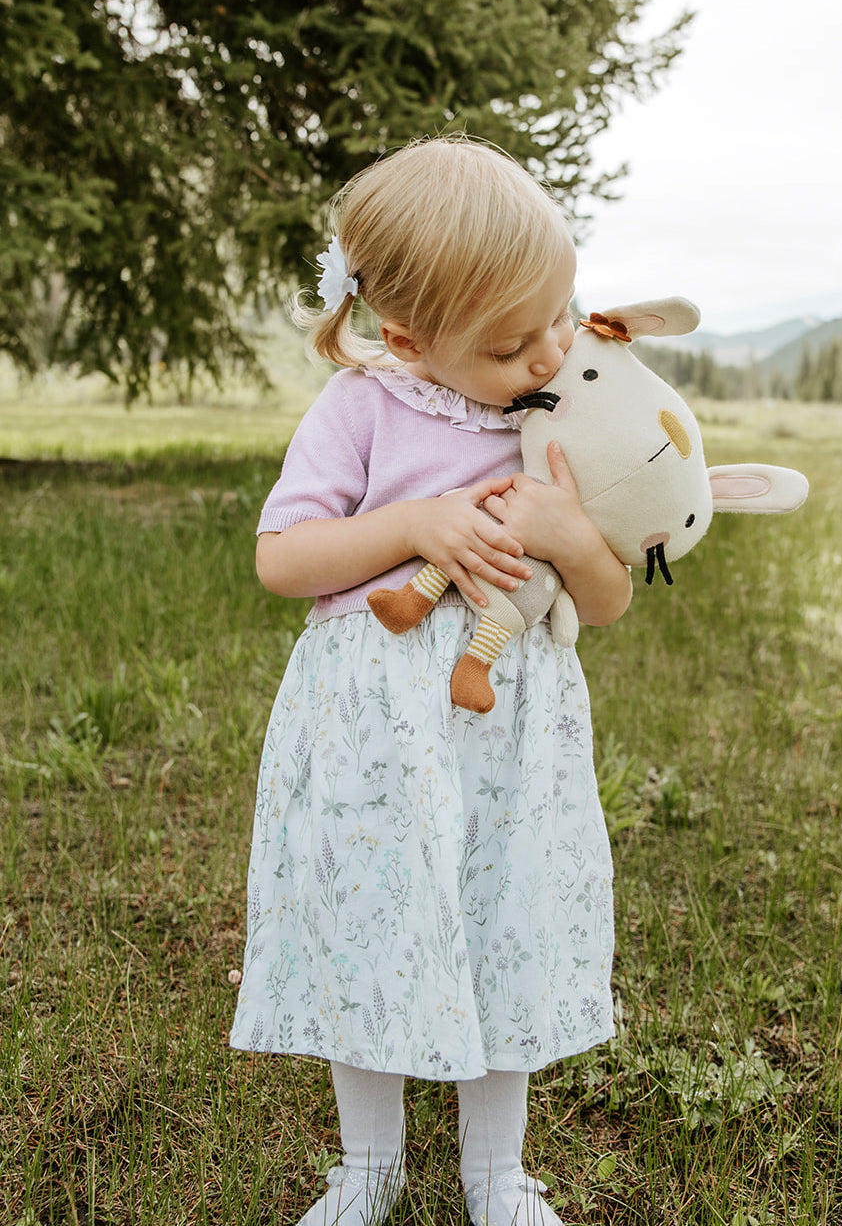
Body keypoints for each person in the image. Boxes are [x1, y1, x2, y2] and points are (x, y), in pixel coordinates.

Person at [229, 137, 633, 1226]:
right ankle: (368, 1165)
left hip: (512, 738)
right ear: (408, 337)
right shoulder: (361, 410)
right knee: (373, 923)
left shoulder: (559, 416)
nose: (549, 352)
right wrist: (409, 524)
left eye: (561, 315)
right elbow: (281, 559)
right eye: (513, 344)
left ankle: (497, 1173)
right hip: (376, 737)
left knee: (505, 921)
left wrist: (573, 536)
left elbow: (604, 601)